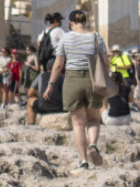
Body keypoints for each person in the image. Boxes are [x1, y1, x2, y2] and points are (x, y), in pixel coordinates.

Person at [44, 9, 107, 170]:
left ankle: (83, 160)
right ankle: (93, 144)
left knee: (78, 124)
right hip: (93, 80)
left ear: (70, 23)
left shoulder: (65, 37)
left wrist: (50, 85)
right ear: (85, 21)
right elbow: (105, 62)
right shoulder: (96, 36)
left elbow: (58, 65)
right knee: (93, 119)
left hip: (72, 79)